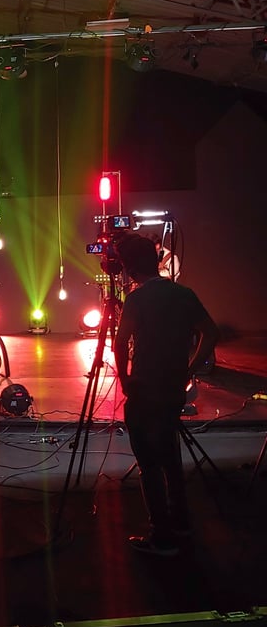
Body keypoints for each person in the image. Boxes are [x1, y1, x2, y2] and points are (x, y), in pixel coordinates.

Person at [113, 233, 218, 557]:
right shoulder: (184, 294)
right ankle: (181, 522)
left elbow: (120, 342)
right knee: (170, 456)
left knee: (149, 464)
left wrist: (125, 379)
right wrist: (189, 369)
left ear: (130, 269)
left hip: (144, 389)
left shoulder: (137, 299)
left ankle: (162, 537)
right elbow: (211, 333)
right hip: (173, 388)